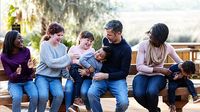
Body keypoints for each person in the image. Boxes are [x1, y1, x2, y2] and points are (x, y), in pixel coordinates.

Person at [132, 23, 183, 112]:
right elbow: (139, 67)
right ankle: (155, 110)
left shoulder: (167, 47)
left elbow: (180, 62)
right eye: (150, 33)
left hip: (158, 76)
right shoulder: (143, 45)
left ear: (160, 38)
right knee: (138, 94)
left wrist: (181, 72)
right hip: (142, 75)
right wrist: (159, 69)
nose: (150, 36)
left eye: (152, 34)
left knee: (151, 92)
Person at [87, 20, 132, 112]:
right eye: (107, 34)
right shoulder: (105, 41)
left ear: (118, 33)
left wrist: (106, 75)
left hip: (117, 79)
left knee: (123, 103)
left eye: (110, 35)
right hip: (101, 78)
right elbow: (100, 57)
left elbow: (124, 72)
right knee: (91, 94)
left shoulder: (126, 49)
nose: (107, 37)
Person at [35, 22, 72, 112]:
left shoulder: (63, 48)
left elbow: (63, 66)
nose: (60, 37)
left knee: (59, 95)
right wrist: (68, 57)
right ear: (50, 34)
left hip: (55, 78)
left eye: (62, 35)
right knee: (43, 96)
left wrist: (69, 76)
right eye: (58, 35)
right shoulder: (44, 45)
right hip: (42, 77)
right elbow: (50, 63)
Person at [1, 30, 38, 112]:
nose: (22, 40)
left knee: (35, 96)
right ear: (11, 40)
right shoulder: (4, 56)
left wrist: (30, 68)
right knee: (17, 98)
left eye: (22, 38)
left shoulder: (26, 51)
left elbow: (29, 73)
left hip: (27, 81)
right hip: (14, 83)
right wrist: (16, 73)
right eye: (19, 38)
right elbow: (10, 76)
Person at [64, 31, 95, 112]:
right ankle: (69, 109)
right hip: (73, 75)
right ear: (80, 39)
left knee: (84, 91)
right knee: (68, 89)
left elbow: (92, 66)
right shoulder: (73, 48)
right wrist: (70, 76)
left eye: (91, 41)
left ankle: (88, 109)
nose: (89, 43)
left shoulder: (92, 51)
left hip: (86, 76)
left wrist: (79, 63)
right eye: (87, 40)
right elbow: (67, 64)